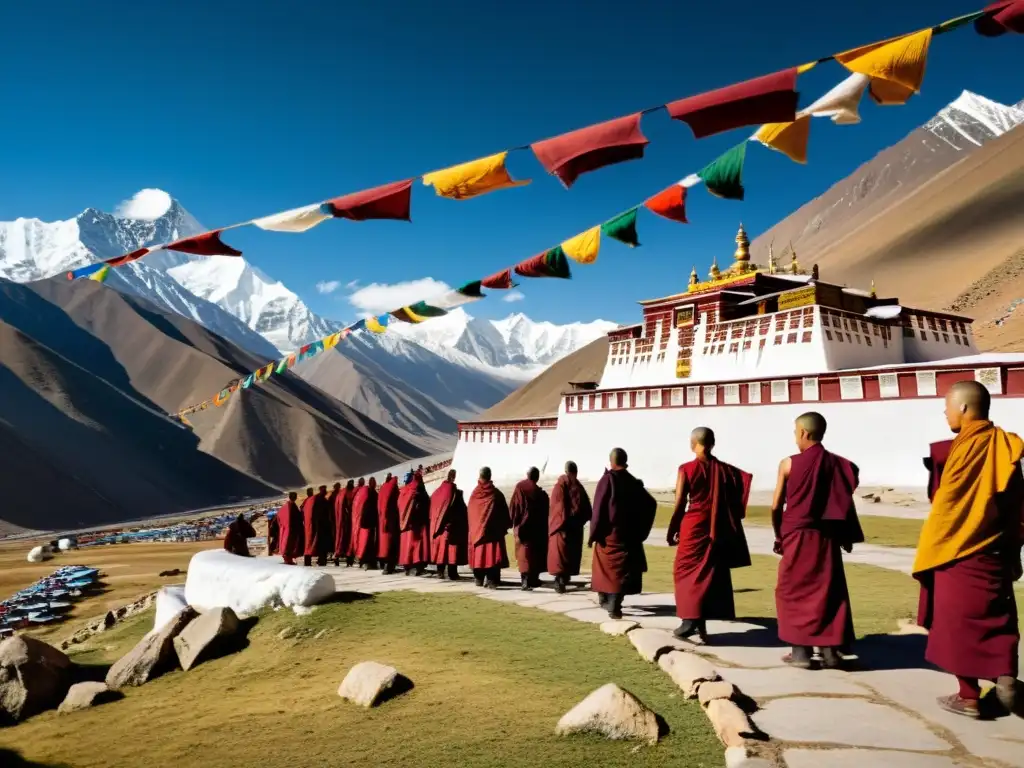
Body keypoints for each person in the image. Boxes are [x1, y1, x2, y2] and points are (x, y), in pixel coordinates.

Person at [913, 380, 1022, 718]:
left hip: (956, 554)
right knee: (998, 621)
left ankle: (968, 696)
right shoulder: (1006, 449)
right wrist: (1013, 551)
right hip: (994, 554)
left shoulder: (954, 450)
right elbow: (1018, 507)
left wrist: (934, 545)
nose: (944, 412)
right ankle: (1005, 677)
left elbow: (943, 504)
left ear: (963, 408)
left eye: (947, 406)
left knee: (956, 626)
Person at [771, 412, 863, 669]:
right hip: (827, 539)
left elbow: (776, 505)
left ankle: (800, 652)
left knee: (792, 591)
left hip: (797, 536)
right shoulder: (840, 464)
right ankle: (830, 651)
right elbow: (844, 500)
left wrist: (779, 534)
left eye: (795, 433)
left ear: (803, 433)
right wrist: (846, 535)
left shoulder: (788, 463)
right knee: (828, 592)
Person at [668, 427, 752, 641]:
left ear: (693, 443)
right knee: (708, 575)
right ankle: (700, 623)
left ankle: (689, 622)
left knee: (685, 572)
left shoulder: (686, 468)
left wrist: (673, 528)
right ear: (712, 444)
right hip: (716, 527)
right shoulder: (725, 470)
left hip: (693, 525)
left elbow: (680, 502)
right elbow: (742, 485)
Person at [590, 448, 657, 620]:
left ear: (611, 461)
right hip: (629, 536)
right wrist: (640, 531)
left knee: (604, 566)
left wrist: (593, 534)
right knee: (622, 570)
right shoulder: (633, 482)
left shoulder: (607, 480)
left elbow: (597, 510)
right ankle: (613, 602)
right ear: (625, 461)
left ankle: (610, 602)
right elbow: (651, 504)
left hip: (610, 535)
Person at [548, 461, 592, 593]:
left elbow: (557, 508)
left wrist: (558, 524)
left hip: (561, 527)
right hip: (573, 527)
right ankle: (562, 580)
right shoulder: (578, 487)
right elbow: (587, 510)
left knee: (561, 555)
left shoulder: (559, 486)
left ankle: (560, 581)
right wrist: (578, 522)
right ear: (575, 472)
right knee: (567, 555)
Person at [467, 466, 511, 588]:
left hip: (477, 534)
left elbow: (470, 513)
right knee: (492, 556)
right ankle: (492, 580)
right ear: (490, 477)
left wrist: (476, 528)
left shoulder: (474, 494)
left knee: (479, 556)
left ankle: (479, 579)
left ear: (479, 476)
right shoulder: (497, 494)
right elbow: (505, 515)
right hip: (493, 534)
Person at [510, 467, 550, 590]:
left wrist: (514, 522)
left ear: (527, 475)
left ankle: (526, 581)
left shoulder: (520, 487)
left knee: (524, 554)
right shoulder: (540, 493)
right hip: (536, 529)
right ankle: (532, 579)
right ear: (537, 477)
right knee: (535, 554)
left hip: (523, 527)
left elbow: (514, 507)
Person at [429, 470, 469, 580]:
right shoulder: (454, 492)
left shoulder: (437, 492)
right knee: (452, 552)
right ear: (454, 477)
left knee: (440, 551)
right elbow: (460, 510)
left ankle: (440, 572)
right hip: (451, 527)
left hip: (437, 528)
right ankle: (452, 573)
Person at [398, 472, 431, 576]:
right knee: (416, 547)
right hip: (416, 524)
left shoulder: (404, 491)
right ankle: (416, 567)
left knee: (407, 546)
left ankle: (408, 567)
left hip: (407, 524)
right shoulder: (418, 491)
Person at [352, 477, 379, 569]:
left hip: (371, 522)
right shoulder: (365, 492)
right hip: (365, 522)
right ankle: (364, 561)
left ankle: (370, 561)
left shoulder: (372, 493)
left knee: (370, 543)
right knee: (365, 542)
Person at [303, 485, 332, 567]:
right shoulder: (317, 500)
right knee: (315, 543)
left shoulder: (314, 500)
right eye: (323, 490)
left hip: (318, 526)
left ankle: (319, 560)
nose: (325, 491)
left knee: (312, 543)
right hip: (318, 526)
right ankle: (318, 560)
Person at [377, 472, 400, 574]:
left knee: (385, 544)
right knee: (391, 544)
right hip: (390, 521)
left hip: (383, 520)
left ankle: (386, 565)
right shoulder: (391, 489)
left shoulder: (383, 488)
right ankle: (389, 567)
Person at [276, 492, 303, 565]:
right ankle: (288, 560)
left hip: (290, 529)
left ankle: (289, 560)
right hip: (290, 530)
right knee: (288, 545)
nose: (295, 497)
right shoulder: (289, 506)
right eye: (295, 496)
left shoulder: (288, 506)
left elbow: (279, 516)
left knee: (290, 545)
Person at [334, 480, 355, 567]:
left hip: (342, 520)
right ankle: (346, 559)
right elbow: (348, 505)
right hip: (346, 520)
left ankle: (339, 556)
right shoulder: (347, 493)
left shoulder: (342, 493)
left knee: (342, 539)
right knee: (346, 539)